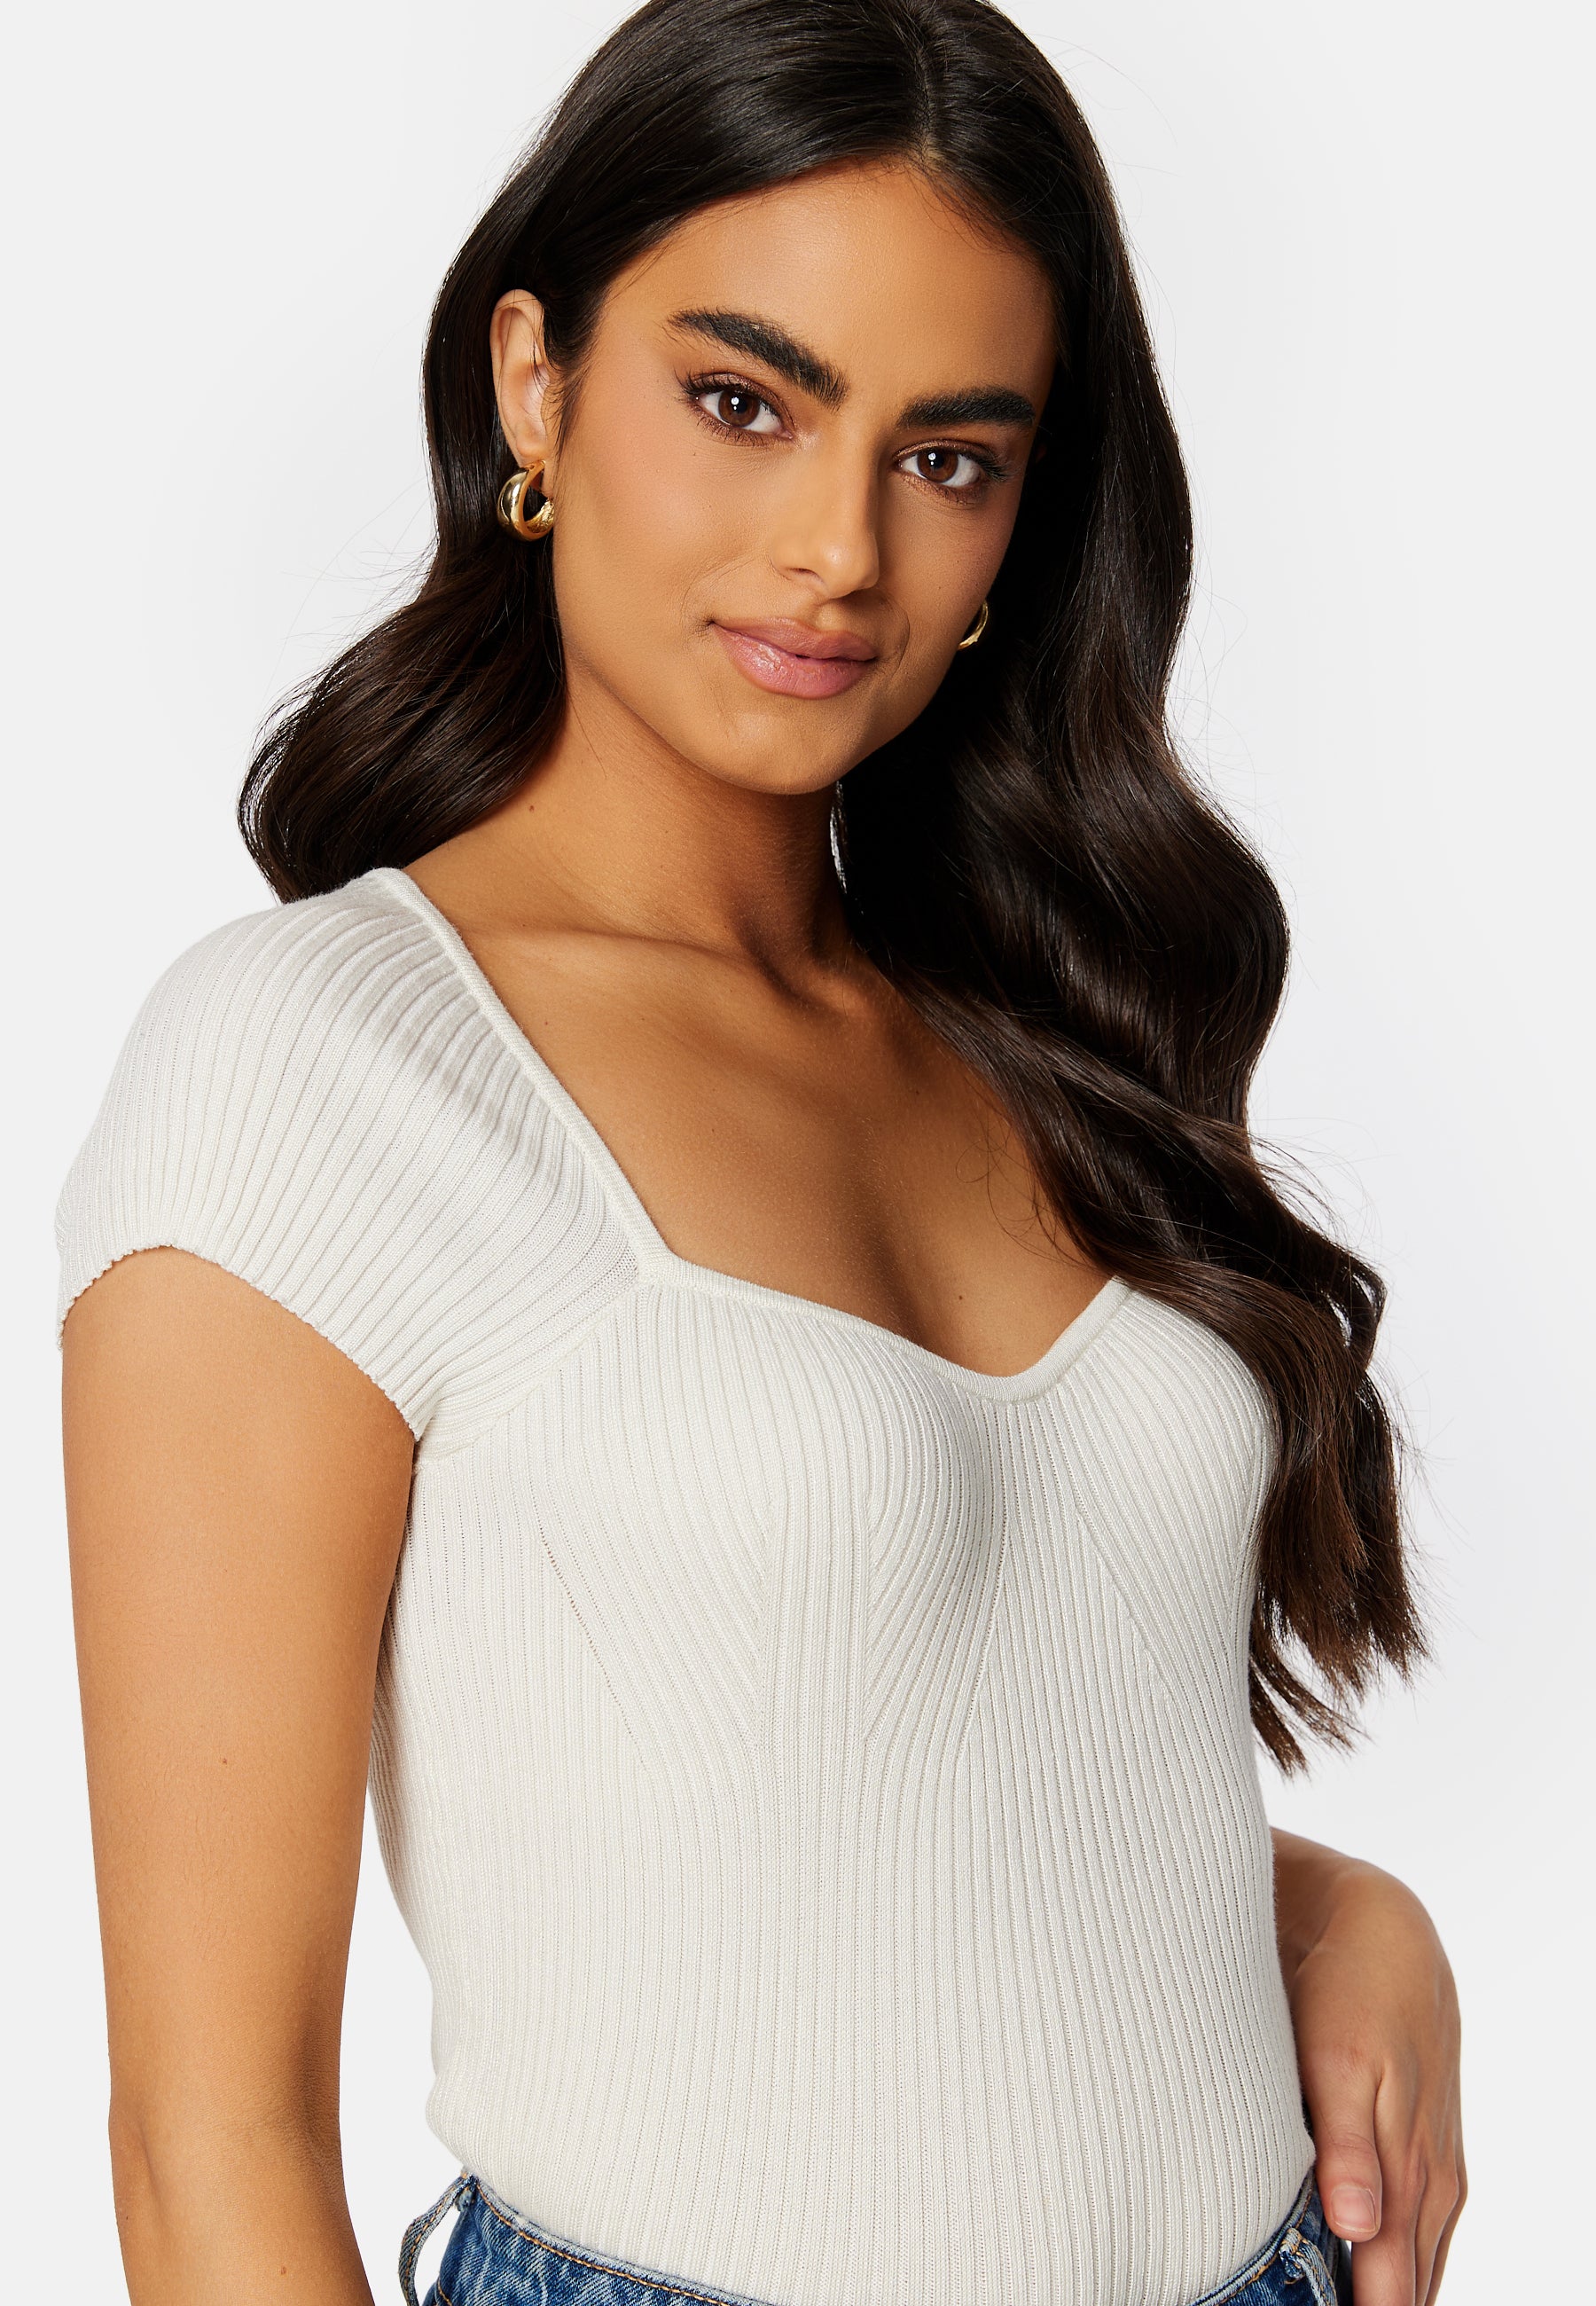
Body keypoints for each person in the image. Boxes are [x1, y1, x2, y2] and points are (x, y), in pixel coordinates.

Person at [56, 4, 1467, 2303]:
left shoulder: (1034, 1029)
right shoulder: (317, 1071)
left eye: (949, 455)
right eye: (744, 401)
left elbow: (919, 1781)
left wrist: (1332, 1907)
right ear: (535, 385)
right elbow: (208, 2140)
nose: (837, 548)